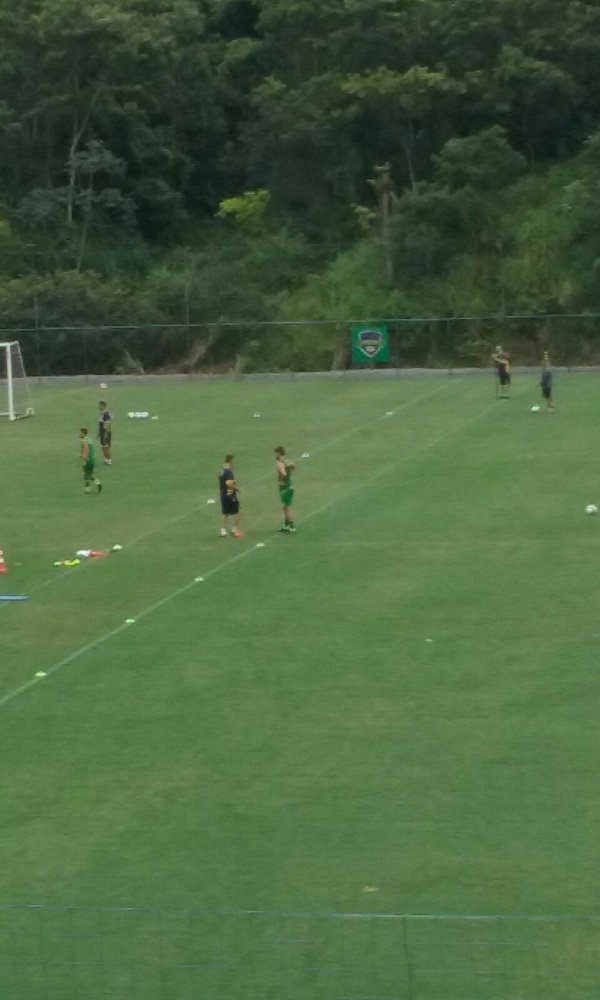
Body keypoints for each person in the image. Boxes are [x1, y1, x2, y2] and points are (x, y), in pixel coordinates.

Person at [218, 454, 243, 537]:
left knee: (225, 513)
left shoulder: (221, 471)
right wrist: (236, 489)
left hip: (223, 495)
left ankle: (223, 531)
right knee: (238, 511)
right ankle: (234, 530)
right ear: (230, 461)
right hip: (230, 495)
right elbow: (229, 483)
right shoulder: (228, 471)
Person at [275, 446, 296, 533]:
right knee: (285, 507)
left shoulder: (279, 463)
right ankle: (286, 525)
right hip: (290, 486)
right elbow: (294, 467)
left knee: (287, 508)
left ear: (279, 453)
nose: (275, 455)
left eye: (276, 453)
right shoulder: (287, 461)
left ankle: (291, 527)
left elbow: (283, 474)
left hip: (285, 488)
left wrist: (281, 481)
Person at [80, 428, 102, 494]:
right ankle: (95, 483)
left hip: (89, 460)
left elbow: (86, 448)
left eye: (80, 433)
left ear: (83, 433)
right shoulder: (88, 438)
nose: (79, 434)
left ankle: (89, 488)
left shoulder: (84, 440)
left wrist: (85, 457)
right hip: (91, 459)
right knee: (87, 475)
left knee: (86, 475)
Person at [98, 400, 112, 465]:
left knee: (106, 447)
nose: (99, 407)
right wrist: (99, 433)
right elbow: (101, 424)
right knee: (103, 447)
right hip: (102, 433)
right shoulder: (101, 413)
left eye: (100, 405)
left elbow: (108, 424)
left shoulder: (106, 414)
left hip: (105, 433)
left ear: (103, 406)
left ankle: (109, 460)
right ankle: (106, 459)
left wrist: (106, 434)